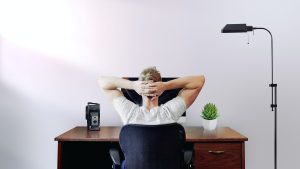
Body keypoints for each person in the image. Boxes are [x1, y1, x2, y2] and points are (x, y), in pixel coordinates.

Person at [98, 67, 205, 125]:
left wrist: (132, 85)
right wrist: (166, 86)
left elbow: (102, 82)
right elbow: (200, 81)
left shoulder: (129, 113)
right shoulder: (170, 113)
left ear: (140, 90)